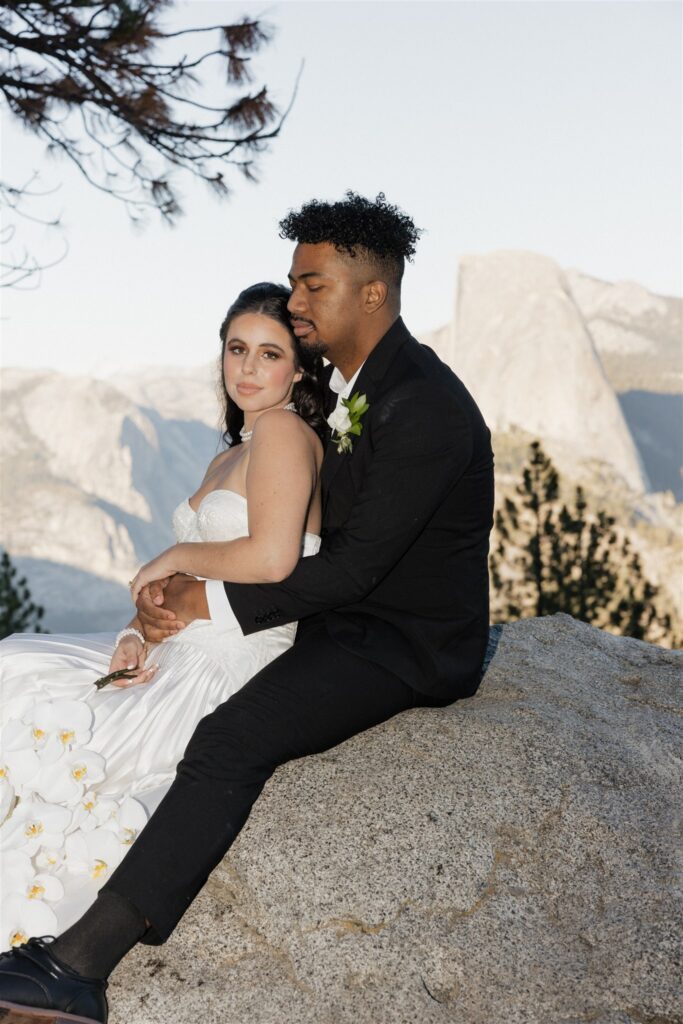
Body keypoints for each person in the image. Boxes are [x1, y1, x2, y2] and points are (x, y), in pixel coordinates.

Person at [0, 192, 495, 1024]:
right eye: (294, 284)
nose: (295, 301)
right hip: (340, 618)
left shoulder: (423, 406)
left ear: (372, 294)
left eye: (312, 286)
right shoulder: (365, 388)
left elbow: (350, 568)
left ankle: (77, 969)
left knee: (230, 737)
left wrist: (202, 596)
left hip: (403, 645)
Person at [0, 282, 325, 947]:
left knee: (55, 721)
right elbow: (197, 578)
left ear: (298, 369)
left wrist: (173, 553)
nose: (247, 368)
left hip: (230, 657)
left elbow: (271, 559)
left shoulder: (285, 432)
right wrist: (136, 631)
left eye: (269, 354)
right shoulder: (232, 451)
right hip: (181, 642)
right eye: (236, 349)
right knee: (19, 664)